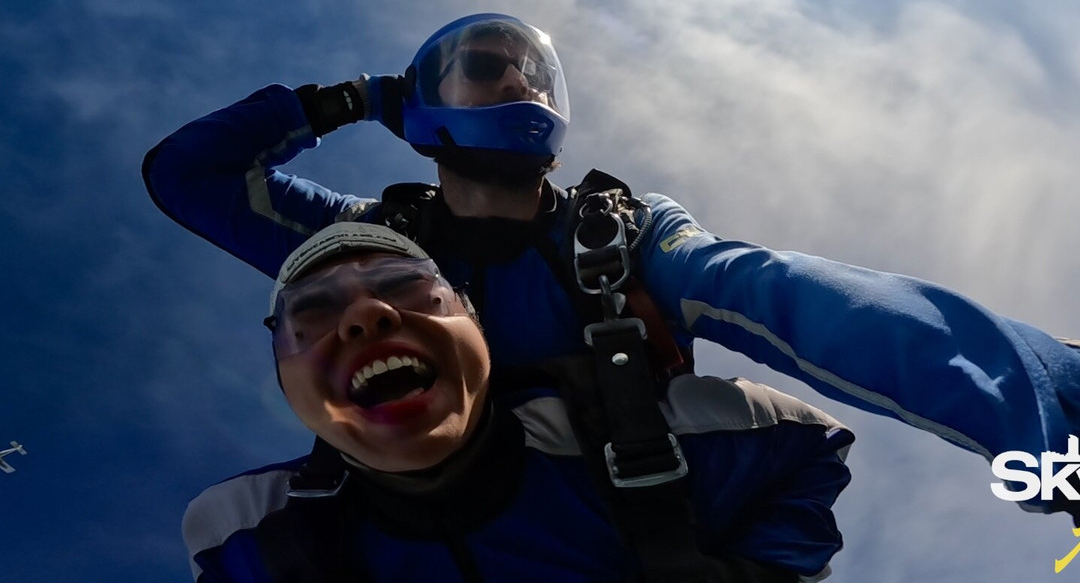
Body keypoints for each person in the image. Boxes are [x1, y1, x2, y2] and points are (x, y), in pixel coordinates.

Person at [145, 12, 1080, 520]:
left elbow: (803, 304)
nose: (513, 82)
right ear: (426, 103)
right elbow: (190, 174)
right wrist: (347, 99)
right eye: (481, 65)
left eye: (526, 72)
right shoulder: (371, 251)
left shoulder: (624, 239)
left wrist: (1051, 421)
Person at [183, 221, 854, 582]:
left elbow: (812, 448)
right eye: (312, 315)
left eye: (409, 287)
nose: (366, 314)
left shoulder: (653, 434)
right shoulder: (246, 534)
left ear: (477, 325)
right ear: (284, 381)